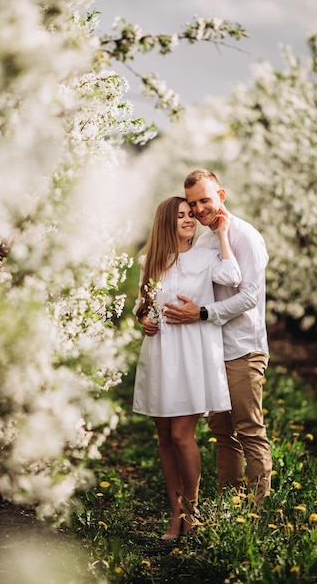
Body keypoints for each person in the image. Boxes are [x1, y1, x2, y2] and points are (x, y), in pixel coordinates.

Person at [161, 170, 272, 504]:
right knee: (223, 433)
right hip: (211, 349)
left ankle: (257, 511)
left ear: (221, 195)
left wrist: (203, 313)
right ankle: (230, 505)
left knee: (249, 430)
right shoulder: (206, 239)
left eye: (204, 200)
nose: (197, 209)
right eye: (192, 203)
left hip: (243, 348)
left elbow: (249, 294)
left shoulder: (246, 237)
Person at [133, 196, 241, 540]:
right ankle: (175, 514)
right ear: (166, 222)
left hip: (193, 353)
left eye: (189, 214)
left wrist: (223, 235)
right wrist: (144, 319)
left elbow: (233, 276)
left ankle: (193, 511)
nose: (188, 219)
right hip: (161, 352)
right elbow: (142, 302)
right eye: (180, 216)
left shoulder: (207, 256)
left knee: (181, 435)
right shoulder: (150, 260)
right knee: (164, 437)